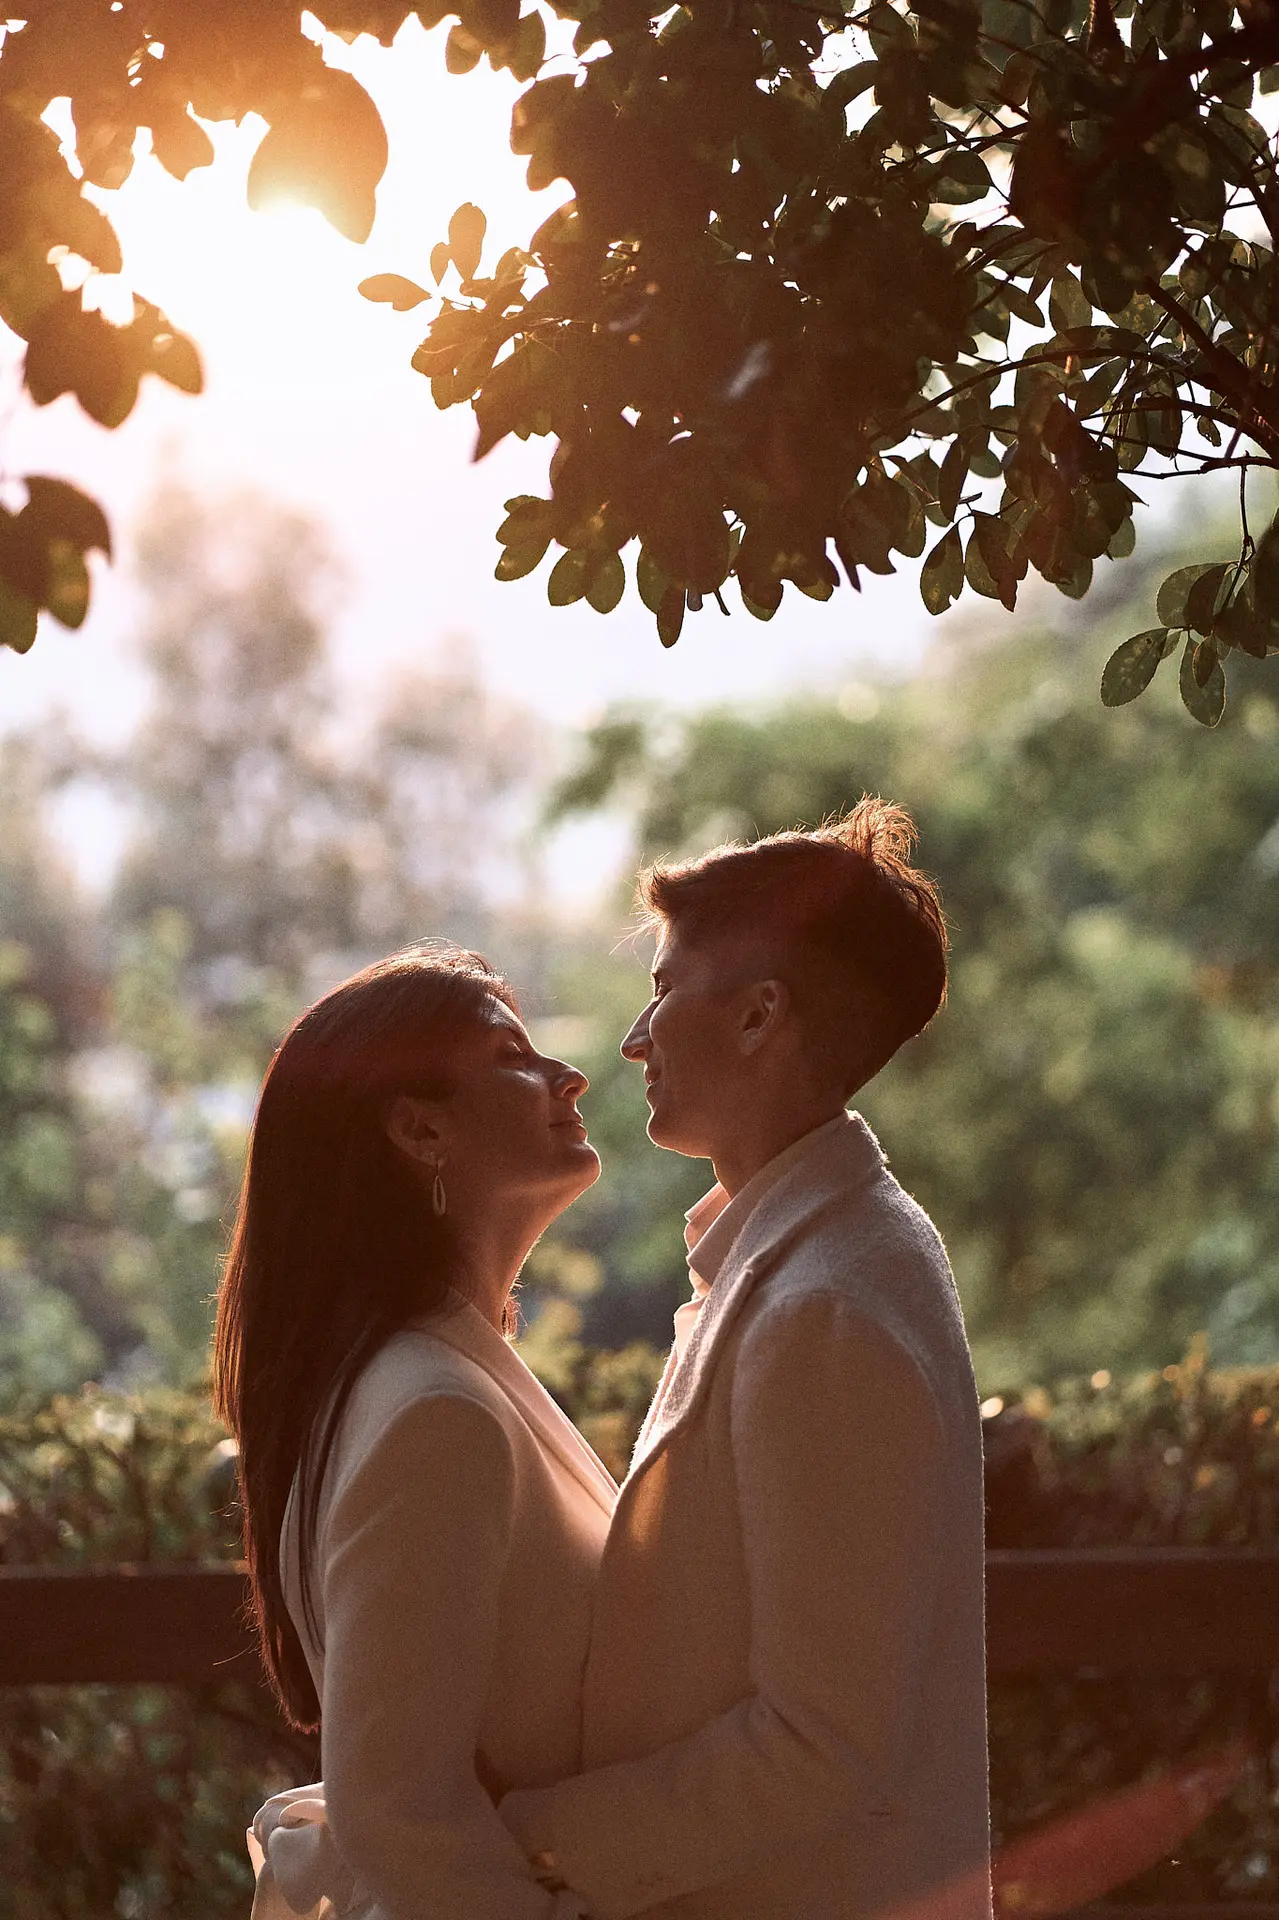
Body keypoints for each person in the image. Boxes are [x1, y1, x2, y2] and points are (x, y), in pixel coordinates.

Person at [500, 800, 991, 1920]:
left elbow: (821, 1741)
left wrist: (520, 1842)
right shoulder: (815, 1254)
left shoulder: (825, 1306)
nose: (632, 1037)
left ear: (762, 1015)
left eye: (666, 987)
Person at [213, 944, 616, 1920]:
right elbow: (398, 1809)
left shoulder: (440, 1375)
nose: (571, 1075)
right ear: (420, 1127)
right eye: (514, 1056)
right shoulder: (431, 1408)